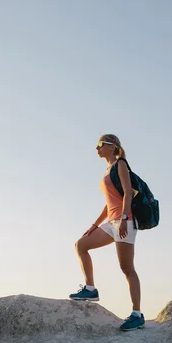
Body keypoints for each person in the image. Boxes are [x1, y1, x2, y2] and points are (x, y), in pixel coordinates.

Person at [69, 134, 145, 331]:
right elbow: (109, 203)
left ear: (112, 147)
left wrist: (124, 218)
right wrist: (94, 225)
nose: (97, 148)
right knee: (81, 245)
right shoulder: (107, 171)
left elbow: (128, 192)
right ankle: (90, 289)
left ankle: (137, 314)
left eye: (100, 144)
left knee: (127, 268)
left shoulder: (121, 164)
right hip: (111, 222)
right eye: (96, 145)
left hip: (124, 221)